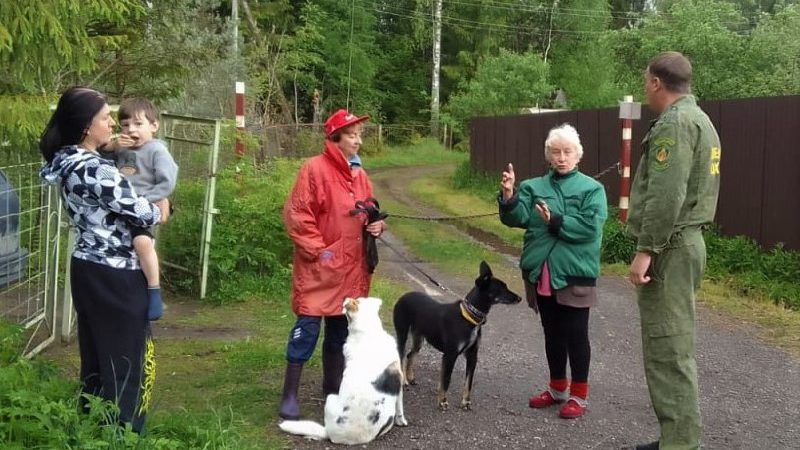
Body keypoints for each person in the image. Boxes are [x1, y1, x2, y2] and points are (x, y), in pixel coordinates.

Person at [39, 87, 170, 433]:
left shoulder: (67, 161)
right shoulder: (97, 170)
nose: (113, 122)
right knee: (128, 361)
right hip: (118, 275)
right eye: (105, 118)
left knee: (97, 356)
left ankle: (90, 426)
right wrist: (162, 207)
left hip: (87, 267)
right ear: (86, 126)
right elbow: (143, 212)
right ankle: (125, 434)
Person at [625, 52, 721, 450]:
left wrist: (646, 249)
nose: (646, 88)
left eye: (646, 81)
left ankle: (681, 444)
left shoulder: (675, 124)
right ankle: (676, 437)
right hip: (686, 242)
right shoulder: (701, 120)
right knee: (673, 344)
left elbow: (667, 195)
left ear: (655, 83)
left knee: (668, 348)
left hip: (671, 246)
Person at [279, 109, 386, 420]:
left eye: (359, 135)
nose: (359, 140)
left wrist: (376, 226)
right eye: (352, 135)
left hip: (353, 270)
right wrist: (319, 251)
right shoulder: (313, 169)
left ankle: (332, 391)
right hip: (318, 269)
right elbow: (297, 215)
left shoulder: (360, 175)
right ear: (335, 137)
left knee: (340, 333)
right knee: (307, 330)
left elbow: (369, 213)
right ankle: (289, 395)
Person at [498, 123, 607, 420]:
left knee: (576, 335)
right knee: (552, 333)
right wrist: (508, 196)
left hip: (574, 273)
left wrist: (555, 221)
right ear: (548, 155)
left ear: (578, 154)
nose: (561, 157)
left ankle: (579, 396)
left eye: (567, 151)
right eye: (556, 152)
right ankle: (558, 388)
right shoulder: (534, 187)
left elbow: (589, 228)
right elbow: (517, 217)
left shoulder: (592, 189)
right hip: (540, 273)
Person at [101, 98, 178, 321]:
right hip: (119, 208)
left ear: (154, 126)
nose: (130, 129)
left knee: (142, 243)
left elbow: (167, 183)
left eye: (137, 124)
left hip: (143, 207)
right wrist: (114, 145)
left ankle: (154, 291)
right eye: (125, 125)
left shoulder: (157, 151)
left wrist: (145, 200)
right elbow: (100, 152)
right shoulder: (122, 148)